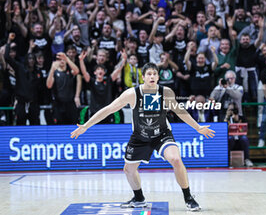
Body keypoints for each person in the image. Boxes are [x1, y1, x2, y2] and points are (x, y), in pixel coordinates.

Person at [71, 62, 215, 211]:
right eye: (149, 74)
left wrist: (198, 127)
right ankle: (139, 198)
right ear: (143, 77)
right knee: (128, 170)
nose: (152, 76)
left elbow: (180, 112)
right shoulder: (132, 94)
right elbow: (108, 109)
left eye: (154, 74)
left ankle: (188, 198)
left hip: (162, 134)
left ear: (158, 77)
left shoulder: (166, 92)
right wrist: (86, 125)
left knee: (176, 159)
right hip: (140, 136)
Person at [225, 102, 253, 167]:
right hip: (230, 139)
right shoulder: (225, 118)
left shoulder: (242, 118)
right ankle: (227, 160)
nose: (231, 112)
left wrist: (237, 121)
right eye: (230, 110)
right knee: (230, 138)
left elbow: (244, 130)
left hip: (239, 138)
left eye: (233, 110)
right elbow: (223, 129)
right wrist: (227, 117)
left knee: (244, 138)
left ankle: (247, 159)